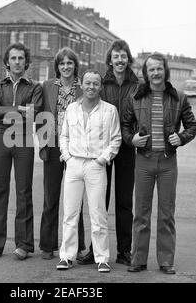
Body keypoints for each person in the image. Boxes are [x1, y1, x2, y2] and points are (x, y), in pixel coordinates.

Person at [122, 52, 196, 274]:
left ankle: (166, 260)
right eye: (151, 69)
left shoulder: (179, 98)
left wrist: (181, 138)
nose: (155, 73)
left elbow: (192, 126)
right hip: (143, 161)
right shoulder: (135, 96)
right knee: (141, 213)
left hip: (167, 163)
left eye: (159, 68)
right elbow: (125, 126)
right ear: (146, 73)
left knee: (166, 214)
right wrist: (132, 139)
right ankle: (138, 259)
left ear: (165, 70)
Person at [79, 39, 138, 266]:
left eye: (123, 56)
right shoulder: (102, 83)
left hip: (127, 149)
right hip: (102, 149)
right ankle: (96, 250)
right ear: (110, 60)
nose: (120, 60)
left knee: (124, 202)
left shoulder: (137, 85)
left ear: (128, 58)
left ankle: (124, 251)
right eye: (116, 56)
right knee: (98, 201)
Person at [0, 43, 43, 260]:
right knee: (0, 190)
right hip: (1, 138)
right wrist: (18, 109)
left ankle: (24, 245)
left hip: (24, 138)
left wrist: (4, 110)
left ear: (26, 62)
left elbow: (34, 114)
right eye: (13, 58)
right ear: (7, 62)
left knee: (24, 191)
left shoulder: (35, 87)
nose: (17, 62)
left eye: (21, 58)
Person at [56, 70, 121, 273]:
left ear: (100, 87)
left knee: (98, 213)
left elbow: (116, 139)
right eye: (87, 83)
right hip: (74, 165)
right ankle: (67, 256)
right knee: (70, 213)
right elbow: (63, 136)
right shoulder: (72, 109)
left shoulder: (110, 110)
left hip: (96, 165)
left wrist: (103, 159)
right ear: (81, 85)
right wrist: (67, 157)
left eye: (95, 83)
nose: (91, 87)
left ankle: (102, 258)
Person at [38, 47, 85, 260]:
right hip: (53, 145)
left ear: (75, 65)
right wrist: (43, 144)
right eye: (62, 63)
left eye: (69, 63)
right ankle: (48, 245)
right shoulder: (47, 87)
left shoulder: (83, 89)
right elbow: (39, 115)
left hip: (76, 149)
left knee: (75, 199)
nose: (66, 67)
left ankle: (77, 244)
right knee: (51, 196)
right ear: (57, 67)